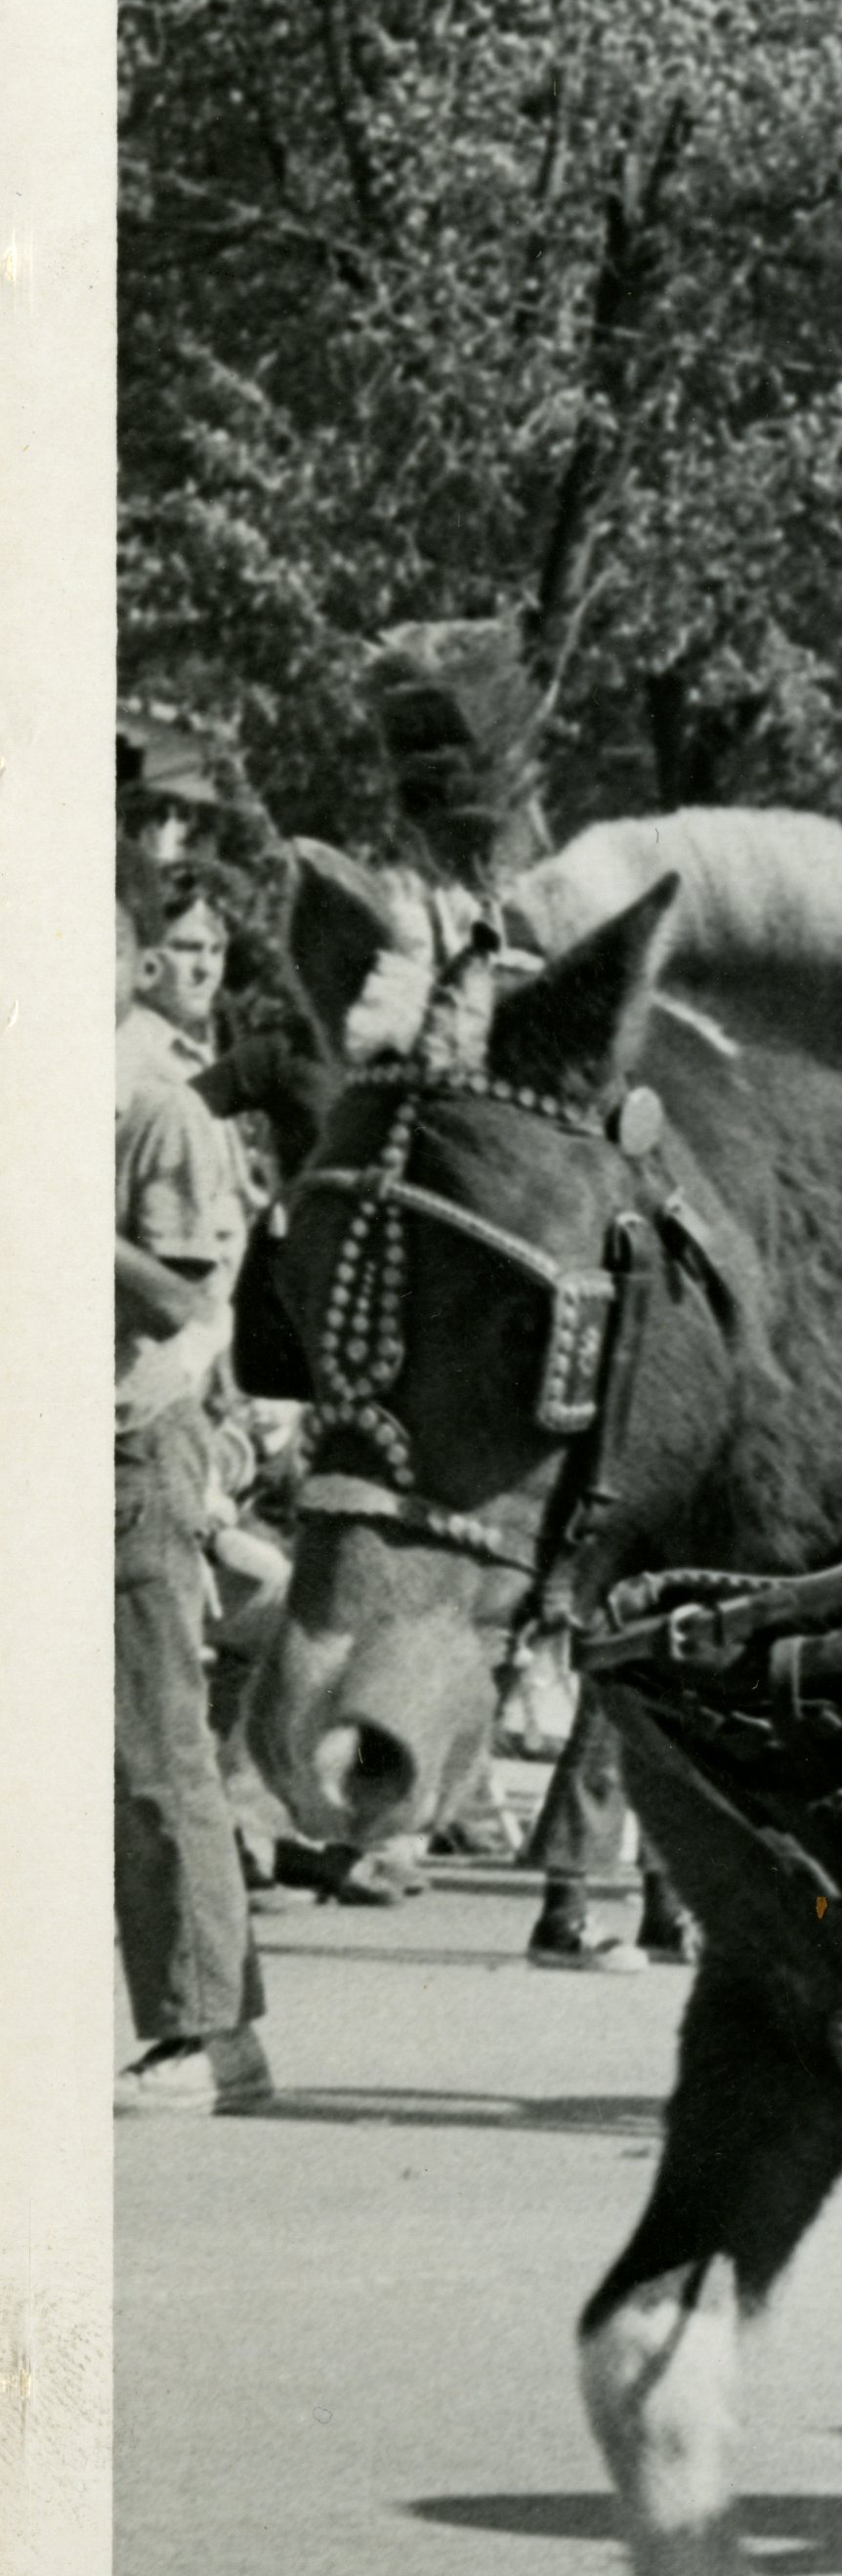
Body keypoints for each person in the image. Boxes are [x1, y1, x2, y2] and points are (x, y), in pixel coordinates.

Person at [118, 857, 280, 2106]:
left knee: (155, 1747)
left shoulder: (160, 1101)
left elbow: (187, 1298)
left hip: (129, 1440)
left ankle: (209, 2033)